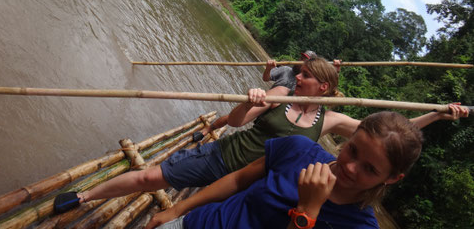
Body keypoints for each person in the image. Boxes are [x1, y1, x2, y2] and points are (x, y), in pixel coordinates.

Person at [53, 57, 468, 213]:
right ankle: (86, 196)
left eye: (305, 74)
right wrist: (254, 97)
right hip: (224, 159)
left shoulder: (334, 121)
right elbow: (235, 122)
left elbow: (390, 138)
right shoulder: (279, 91)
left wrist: (435, 116)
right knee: (150, 178)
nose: (297, 75)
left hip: (247, 186)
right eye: (299, 73)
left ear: (322, 88)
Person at [146, 111, 424, 229]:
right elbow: (239, 179)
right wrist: (178, 210)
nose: (349, 167)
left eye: (370, 169)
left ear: (391, 178)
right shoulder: (299, 149)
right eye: (352, 150)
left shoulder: (359, 226)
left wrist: (307, 212)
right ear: (348, 138)